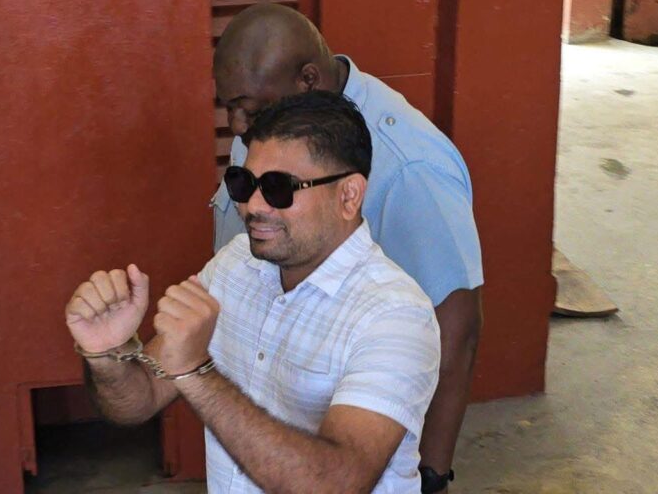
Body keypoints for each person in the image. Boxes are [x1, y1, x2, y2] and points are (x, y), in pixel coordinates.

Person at [66, 92, 441, 493]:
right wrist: (107, 354)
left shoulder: (396, 315)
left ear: (348, 195)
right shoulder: (237, 263)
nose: (253, 206)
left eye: (279, 187)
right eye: (243, 183)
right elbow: (138, 401)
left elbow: (338, 483)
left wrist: (197, 372)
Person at [211, 3, 483, 493]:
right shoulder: (266, 127)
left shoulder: (409, 168)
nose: (236, 125)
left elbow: (457, 324)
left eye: (248, 108)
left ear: (308, 80)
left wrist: (432, 475)